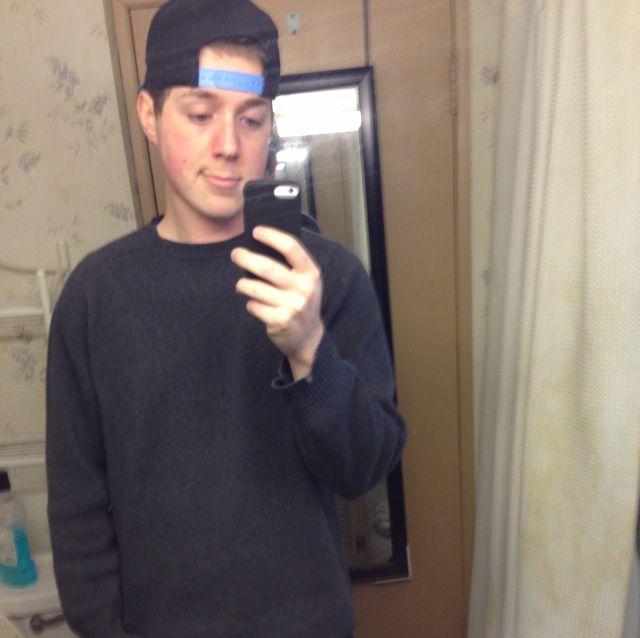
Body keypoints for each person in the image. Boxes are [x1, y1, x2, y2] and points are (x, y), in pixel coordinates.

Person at [45, 1, 407, 636]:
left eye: (251, 118)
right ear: (149, 115)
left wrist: (309, 351)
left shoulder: (327, 278)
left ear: (270, 127)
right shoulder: (95, 298)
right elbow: (78, 506)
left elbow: (363, 470)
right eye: (200, 114)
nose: (228, 145)